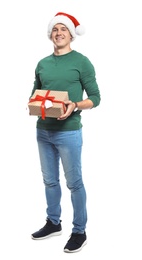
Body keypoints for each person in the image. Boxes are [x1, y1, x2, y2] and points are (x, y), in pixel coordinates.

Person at [29, 12, 101, 253]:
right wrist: (32, 104)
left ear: (71, 34)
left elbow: (95, 98)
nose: (59, 33)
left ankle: (79, 231)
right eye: (55, 29)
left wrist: (75, 105)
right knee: (49, 181)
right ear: (50, 34)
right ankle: (53, 222)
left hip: (69, 132)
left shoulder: (81, 62)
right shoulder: (42, 63)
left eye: (63, 29)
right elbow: (35, 93)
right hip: (43, 130)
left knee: (74, 183)